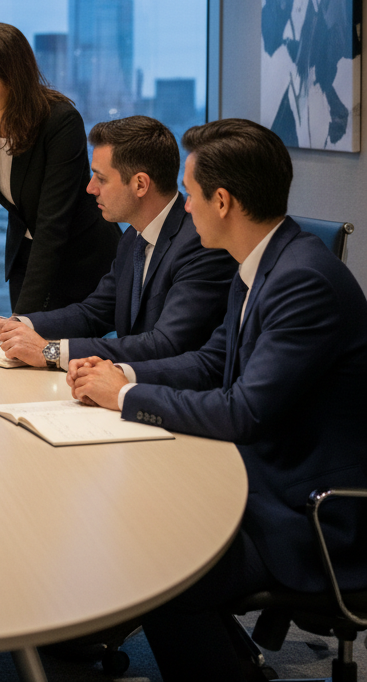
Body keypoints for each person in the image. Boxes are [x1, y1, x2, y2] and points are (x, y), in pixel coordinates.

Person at [67, 119, 367, 682]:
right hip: (267, 475)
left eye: (191, 191)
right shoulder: (262, 264)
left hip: (311, 510)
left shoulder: (303, 280)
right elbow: (210, 363)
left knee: (157, 566)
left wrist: (127, 394)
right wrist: (117, 376)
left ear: (222, 200)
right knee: (135, 514)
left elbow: (243, 411)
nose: (184, 207)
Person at [0, 116, 236, 367]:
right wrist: (13, 324)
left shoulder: (201, 244)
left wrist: (51, 352)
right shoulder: (133, 238)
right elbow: (92, 313)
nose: (90, 188)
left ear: (140, 184)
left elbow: (165, 344)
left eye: (101, 178)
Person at [0, 22, 121, 321]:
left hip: (82, 262)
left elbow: (53, 224)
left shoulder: (60, 122)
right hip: (27, 259)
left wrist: (18, 321)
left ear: (13, 82)